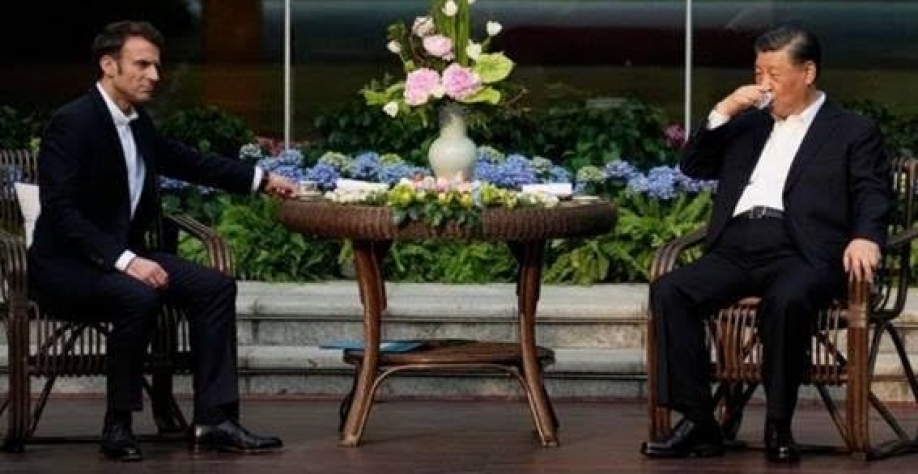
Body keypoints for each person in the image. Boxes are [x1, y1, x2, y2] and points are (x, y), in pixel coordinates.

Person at [29, 20, 298, 462]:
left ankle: (215, 419)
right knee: (137, 296)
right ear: (108, 65)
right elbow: (61, 213)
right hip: (66, 267)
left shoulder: (137, 123)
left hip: (122, 258)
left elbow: (186, 161)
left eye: (157, 66)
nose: (154, 75)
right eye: (142, 64)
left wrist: (262, 178)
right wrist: (126, 260)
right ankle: (118, 425)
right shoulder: (71, 123)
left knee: (215, 288)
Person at [640, 24, 892, 463]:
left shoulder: (851, 129)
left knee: (787, 298)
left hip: (804, 250)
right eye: (758, 72)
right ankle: (701, 423)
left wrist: (866, 237)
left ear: (808, 72)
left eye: (774, 74)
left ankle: (778, 423)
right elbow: (695, 165)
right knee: (670, 290)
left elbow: (872, 191)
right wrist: (723, 110)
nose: (763, 84)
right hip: (737, 245)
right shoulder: (750, 123)